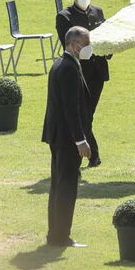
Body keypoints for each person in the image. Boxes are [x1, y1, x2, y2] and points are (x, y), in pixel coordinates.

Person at [42, 26, 93, 248]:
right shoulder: (69, 68)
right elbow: (71, 109)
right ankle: (60, 236)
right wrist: (80, 140)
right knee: (66, 187)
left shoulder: (61, 63)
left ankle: (55, 234)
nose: (89, 48)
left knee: (58, 184)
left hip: (58, 135)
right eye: (86, 44)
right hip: (66, 137)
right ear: (74, 44)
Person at [56, 0, 109, 167]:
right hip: (78, 73)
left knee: (87, 115)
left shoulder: (98, 12)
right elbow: (68, 46)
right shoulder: (65, 17)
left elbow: (107, 38)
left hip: (97, 72)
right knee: (82, 115)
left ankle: (90, 156)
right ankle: (89, 157)